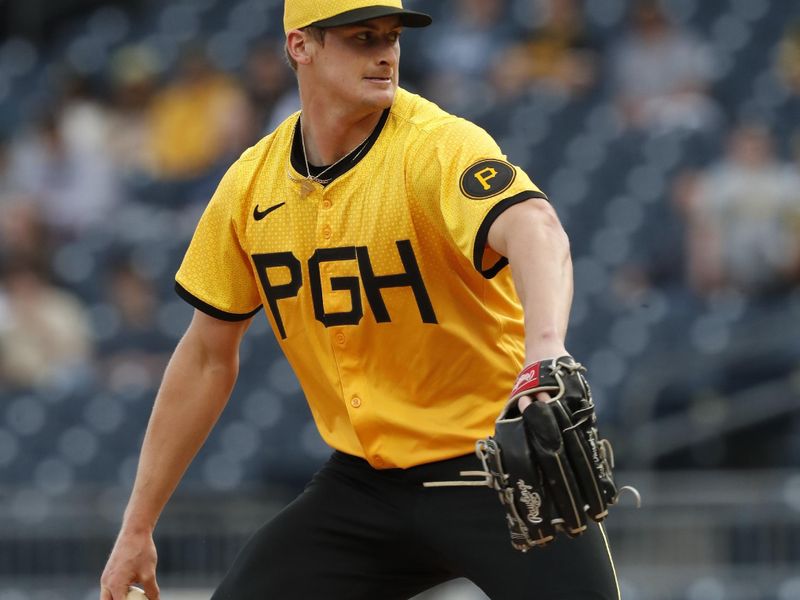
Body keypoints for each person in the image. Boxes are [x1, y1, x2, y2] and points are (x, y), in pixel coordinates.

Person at [99, 1, 620, 599]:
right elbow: (206, 357)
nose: (385, 53)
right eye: (361, 37)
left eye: (392, 37)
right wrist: (137, 525)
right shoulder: (249, 186)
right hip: (365, 484)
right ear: (301, 46)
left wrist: (546, 349)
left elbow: (537, 227)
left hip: (492, 468)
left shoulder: (437, 146)